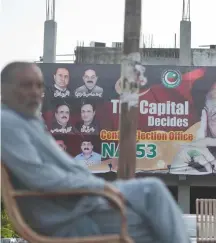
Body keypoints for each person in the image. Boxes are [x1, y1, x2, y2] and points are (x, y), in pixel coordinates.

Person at [0, 61, 190, 243]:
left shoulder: (28, 121)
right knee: (154, 224)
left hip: (83, 199)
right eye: (26, 85)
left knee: (153, 190)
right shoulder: (8, 123)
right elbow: (42, 178)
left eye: (39, 85)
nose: (35, 92)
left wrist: (98, 187)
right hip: (71, 213)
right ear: (4, 88)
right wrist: (100, 187)